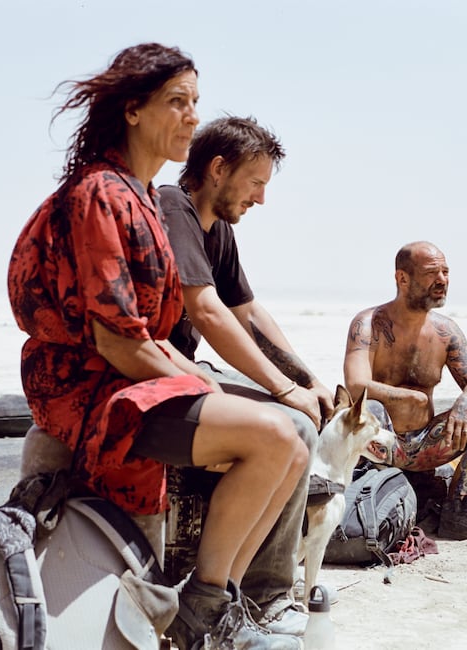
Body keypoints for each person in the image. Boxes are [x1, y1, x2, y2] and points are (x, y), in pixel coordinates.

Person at [7, 43, 306, 649]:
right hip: (90, 390)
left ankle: (219, 602)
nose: (192, 116)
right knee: (272, 436)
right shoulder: (101, 195)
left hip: (133, 379)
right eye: (178, 101)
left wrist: (216, 391)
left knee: (292, 440)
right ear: (133, 109)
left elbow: (154, 335)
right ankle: (199, 616)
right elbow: (118, 342)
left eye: (195, 101)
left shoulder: (140, 195)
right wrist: (211, 393)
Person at [158, 116, 335, 636]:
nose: (261, 199)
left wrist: (307, 379)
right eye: (255, 183)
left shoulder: (220, 230)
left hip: (191, 373)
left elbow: (248, 313)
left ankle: (247, 595)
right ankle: (258, 594)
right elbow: (209, 313)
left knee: (297, 420)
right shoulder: (175, 207)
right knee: (290, 424)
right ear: (217, 169)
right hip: (158, 375)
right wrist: (283, 391)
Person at [343, 241, 467, 542]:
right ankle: (367, 504)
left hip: (427, 445)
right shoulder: (369, 323)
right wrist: (410, 398)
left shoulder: (445, 331)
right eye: (431, 273)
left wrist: (464, 402)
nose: (442, 280)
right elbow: (356, 385)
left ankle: (459, 514)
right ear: (402, 279)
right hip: (381, 445)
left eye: (446, 272)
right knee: (369, 409)